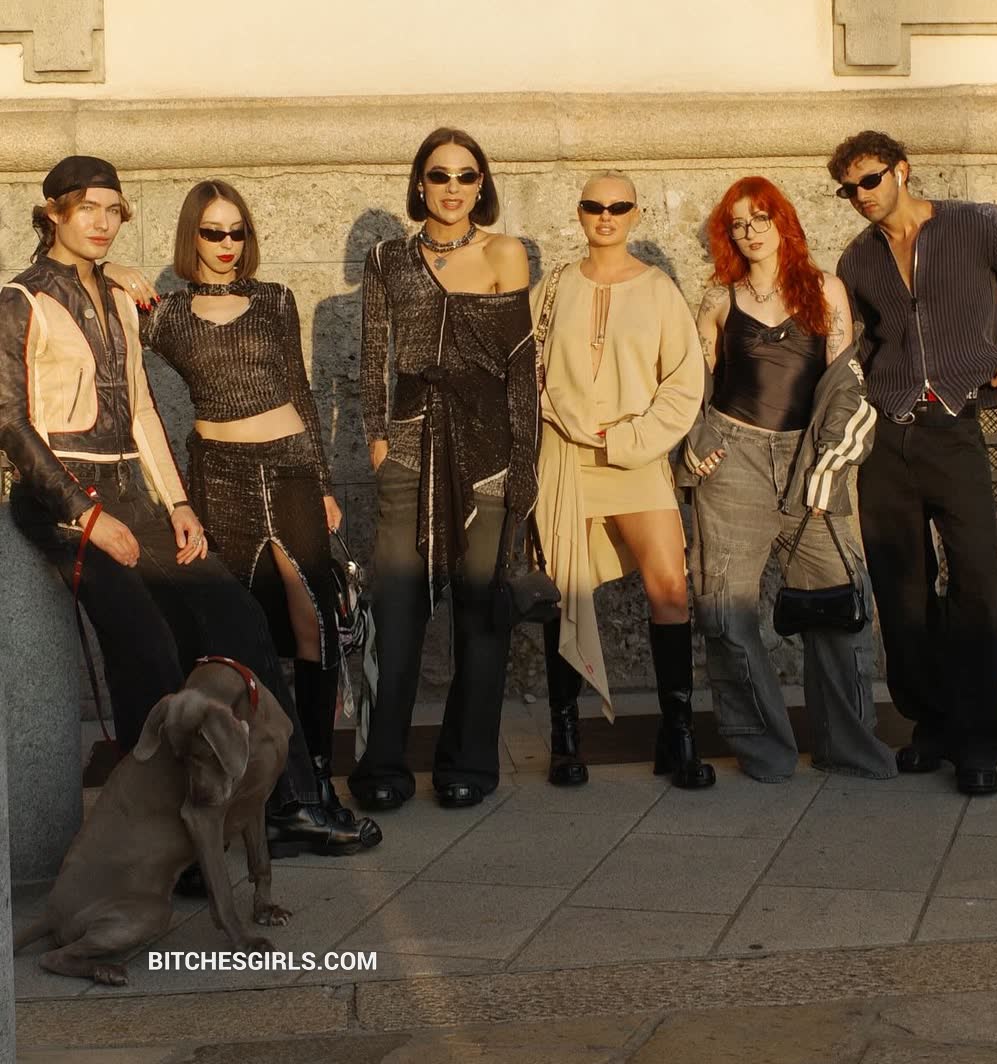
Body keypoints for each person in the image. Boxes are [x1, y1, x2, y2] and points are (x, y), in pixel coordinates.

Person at [0, 156, 378, 859]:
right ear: (53, 213)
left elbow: (141, 408)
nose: (103, 223)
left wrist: (176, 502)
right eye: (87, 209)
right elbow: (9, 420)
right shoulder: (21, 300)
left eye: (113, 210)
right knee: (150, 649)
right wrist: (87, 517)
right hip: (65, 501)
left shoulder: (118, 296)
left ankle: (292, 802)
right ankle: (165, 838)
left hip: (136, 491)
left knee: (241, 621)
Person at [105, 179, 377, 853]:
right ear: (191, 237)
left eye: (238, 232)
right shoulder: (164, 315)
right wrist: (111, 268)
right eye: (213, 232)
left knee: (314, 620)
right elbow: (80, 286)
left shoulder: (274, 299)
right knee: (240, 638)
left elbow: (299, 389)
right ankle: (267, 791)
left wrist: (323, 482)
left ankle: (316, 782)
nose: (227, 244)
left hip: (290, 469)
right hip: (220, 477)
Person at [828, 131, 997, 796]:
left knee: (974, 586)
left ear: (902, 171)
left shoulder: (976, 223)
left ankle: (979, 743)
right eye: (848, 189)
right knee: (901, 592)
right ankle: (929, 726)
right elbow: (856, 343)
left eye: (870, 180)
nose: (860, 195)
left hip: (955, 428)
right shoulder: (858, 258)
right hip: (886, 437)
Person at [346, 128, 539, 811]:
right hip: (410, 442)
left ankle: (468, 762)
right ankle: (382, 763)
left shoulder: (505, 253)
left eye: (465, 175)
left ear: (481, 185)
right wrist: (377, 438)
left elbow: (521, 369)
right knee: (396, 608)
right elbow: (374, 352)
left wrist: (524, 465)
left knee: (480, 611)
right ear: (419, 183)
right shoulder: (387, 259)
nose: (452, 188)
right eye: (438, 175)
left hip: (487, 449)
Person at [687, 176, 896, 783]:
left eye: (761, 218)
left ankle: (847, 746)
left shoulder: (825, 290)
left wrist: (831, 464)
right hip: (735, 463)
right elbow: (694, 385)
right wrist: (696, 440)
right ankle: (766, 751)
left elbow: (846, 386)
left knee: (839, 604)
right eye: (738, 224)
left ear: (783, 222)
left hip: (809, 460)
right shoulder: (718, 299)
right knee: (726, 611)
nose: (750, 232)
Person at [533, 172, 715, 791]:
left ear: (636, 214)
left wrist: (629, 438)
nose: (605, 215)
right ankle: (565, 737)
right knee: (565, 592)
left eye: (618, 206)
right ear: (580, 212)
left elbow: (684, 383)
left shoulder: (659, 289)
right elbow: (528, 371)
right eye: (594, 205)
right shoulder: (553, 288)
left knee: (670, 589)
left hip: (636, 461)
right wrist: (570, 423)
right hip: (566, 458)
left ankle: (678, 734)